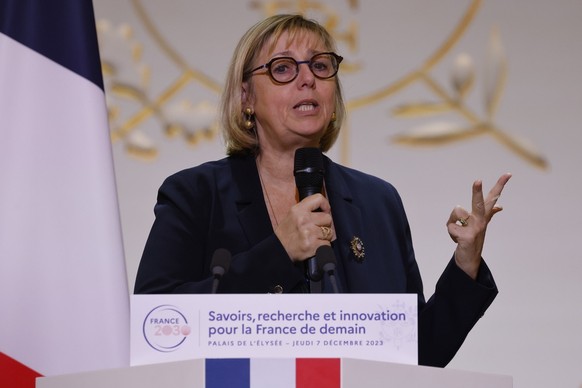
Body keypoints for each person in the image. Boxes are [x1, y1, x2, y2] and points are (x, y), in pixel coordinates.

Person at [134, 14, 512, 367]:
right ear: (246, 97)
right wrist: (278, 254)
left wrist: (466, 263)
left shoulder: (378, 202)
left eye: (320, 66)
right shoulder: (196, 195)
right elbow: (157, 323)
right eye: (282, 68)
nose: (307, 79)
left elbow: (416, 357)